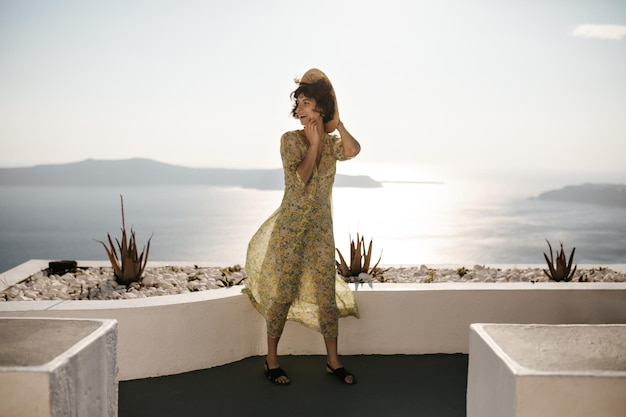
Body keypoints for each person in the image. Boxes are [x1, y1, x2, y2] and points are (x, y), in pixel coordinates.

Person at [244, 68, 361, 386]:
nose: (299, 107)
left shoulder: (333, 144)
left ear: (320, 108)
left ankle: (333, 362)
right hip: (291, 230)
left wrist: (334, 124)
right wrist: (313, 144)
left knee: (326, 295)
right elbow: (301, 179)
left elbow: (353, 150)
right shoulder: (290, 141)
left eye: (306, 101)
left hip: (321, 231)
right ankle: (271, 361)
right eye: (297, 103)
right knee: (282, 294)